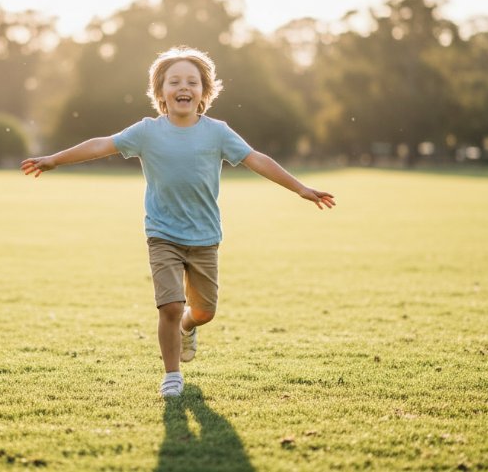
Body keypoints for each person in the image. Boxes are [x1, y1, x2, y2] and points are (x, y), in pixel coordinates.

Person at [21, 46, 335, 398]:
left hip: (204, 237)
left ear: (204, 92)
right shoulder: (146, 132)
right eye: (174, 81)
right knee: (170, 306)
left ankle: (189, 326)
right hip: (163, 234)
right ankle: (172, 375)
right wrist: (55, 159)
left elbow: (256, 159)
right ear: (160, 92)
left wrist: (300, 188)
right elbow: (101, 145)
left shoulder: (218, 132)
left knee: (203, 311)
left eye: (192, 82)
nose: (183, 87)